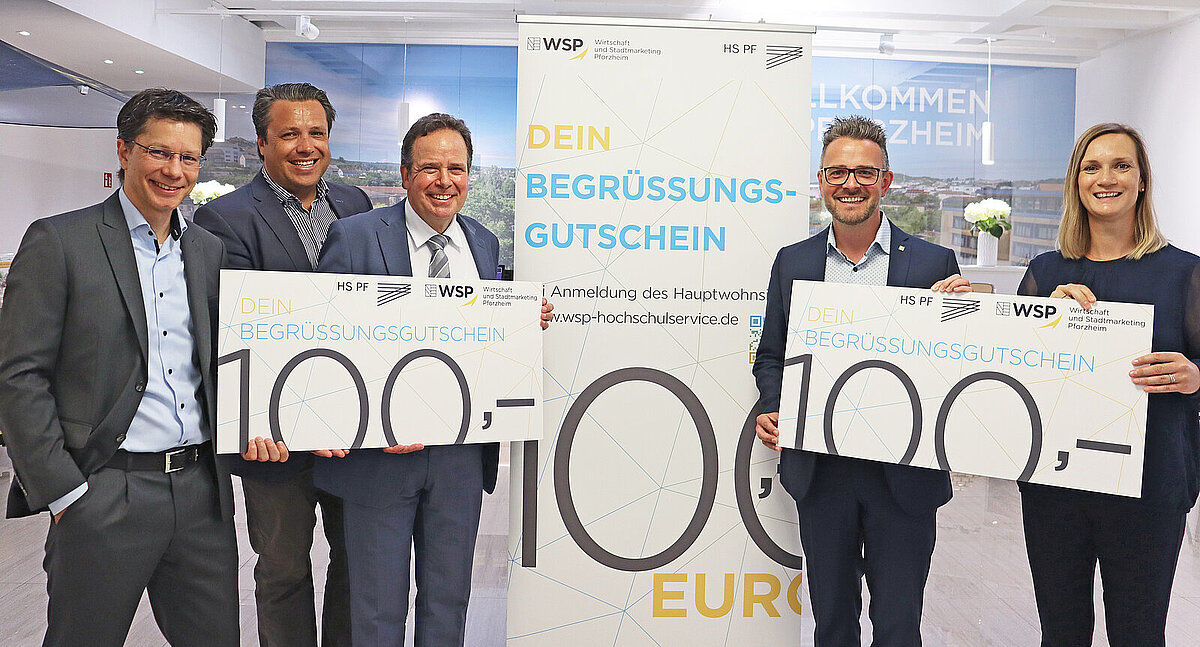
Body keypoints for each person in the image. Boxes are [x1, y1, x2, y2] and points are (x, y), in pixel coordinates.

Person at [0, 88, 267, 646]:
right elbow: (18, 375)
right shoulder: (60, 241)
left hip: (200, 495)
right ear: (124, 151)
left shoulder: (207, 251)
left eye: (188, 157)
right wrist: (64, 492)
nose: (174, 171)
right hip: (104, 491)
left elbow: (221, 364)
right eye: (159, 153)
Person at [313, 112, 552, 646]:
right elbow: (324, 339)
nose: (444, 181)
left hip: (459, 460)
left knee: (449, 601)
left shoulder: (483, 243)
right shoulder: (354, 237)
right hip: (379, 458)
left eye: (456, 169)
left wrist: (520, 324)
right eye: (430, 168)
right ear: (405, 173)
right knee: (377, 609)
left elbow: (482, 336)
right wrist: (358, 422)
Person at [752, 115, 969, 647]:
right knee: (831, 622)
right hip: (822, 472)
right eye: (838, 172)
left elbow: (955, 365)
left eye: (865, 173)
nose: (850, 184)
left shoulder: (934, 264)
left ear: (885, 181)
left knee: (898, 623)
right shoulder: (793, 263)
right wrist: (774, 404)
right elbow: (771, 355)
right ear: (822, 180)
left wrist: (964, 315)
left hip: (904, 475)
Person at [193, 81, 371, 647]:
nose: (305, 145)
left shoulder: (355, 204)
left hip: (350, 431)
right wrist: (255, 420)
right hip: (274, 437)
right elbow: (229, 332)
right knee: (284, 571)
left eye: (316, 132)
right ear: (263, 144)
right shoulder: (224, 218)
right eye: (289, 133)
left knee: (355, 564)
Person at [1017, 123, 1200, 647]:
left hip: (1150, 487)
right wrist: (1043, 321)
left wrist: (1194, 375)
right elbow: (1015, 374)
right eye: (1091, 167)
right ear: (1076, 182)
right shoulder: (1045, 272)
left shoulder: (1185, 273)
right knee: (1061, 632)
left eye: (1121, 165)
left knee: (1139, 633)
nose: (1106, 178)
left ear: (1142, 180)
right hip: (1056, 487)